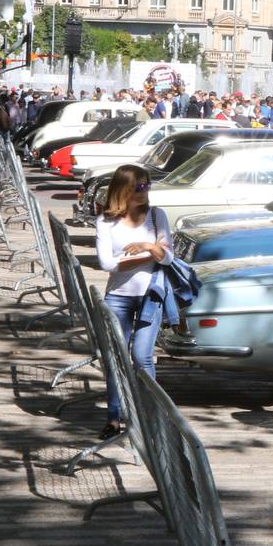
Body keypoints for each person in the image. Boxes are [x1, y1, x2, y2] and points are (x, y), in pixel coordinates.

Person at [95, 164, 174, 440]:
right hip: (118, 297)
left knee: (142, 356)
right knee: (117, 357)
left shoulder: (156, 215)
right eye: (139, 186)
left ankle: (151, 418)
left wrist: (148, 247)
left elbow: (169, 257)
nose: (145, 190)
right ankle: (114, 418)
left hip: (151, 295)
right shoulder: (106, 221)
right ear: (124, 189)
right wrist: (153, 253)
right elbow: (108, 264)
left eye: (147, 185)